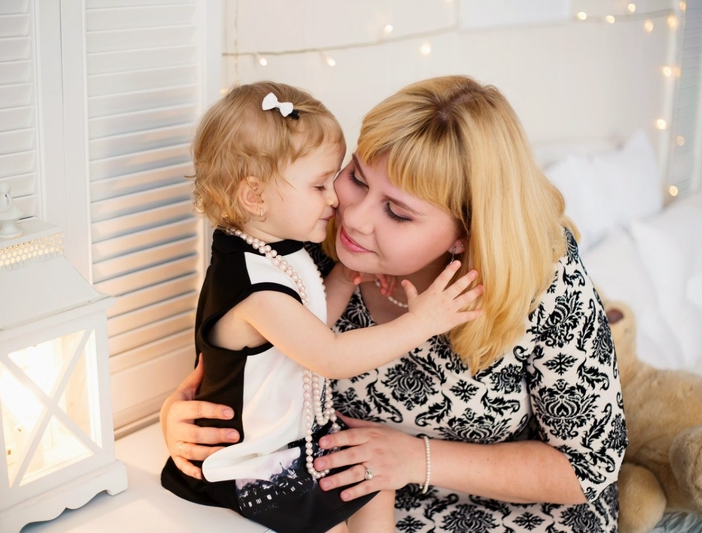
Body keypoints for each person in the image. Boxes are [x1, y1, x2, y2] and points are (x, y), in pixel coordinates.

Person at [162, 76, 628, 532]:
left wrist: (414, 459)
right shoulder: (301, 236)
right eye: (357, 178)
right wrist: (183, 420)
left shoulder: (542, 276)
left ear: (464, 234)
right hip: (351, 502)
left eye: (398, 212)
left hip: (516, 511)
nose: (353, 217)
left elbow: (588, 467)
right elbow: (242, 368)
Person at [159, 81, 484, 533]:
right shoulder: (252, 285)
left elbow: (311, 327)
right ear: (255, 196)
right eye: (320, 185)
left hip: (294, 438)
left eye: (334, 179)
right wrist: (422, 321)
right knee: (327, 520)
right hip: (252, 456)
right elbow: (328, 355)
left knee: (374, 483)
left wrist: (344, 277)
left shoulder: (281, 247)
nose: (335, 201)